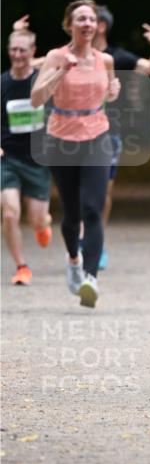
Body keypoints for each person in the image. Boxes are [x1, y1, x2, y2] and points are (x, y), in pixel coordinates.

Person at [31, 0, 120, 308]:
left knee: (93, 208)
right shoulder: (56, 56)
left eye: (91, 19)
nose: (86, 24)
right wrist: (60, 72)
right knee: (72, 213)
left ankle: (90, 279)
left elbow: (106, 93)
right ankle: (73, 260)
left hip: (97, 136)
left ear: (97, 26)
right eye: (80, 19)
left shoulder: (104, 60)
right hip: (61, 139)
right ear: (69, 25)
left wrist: (113, 91)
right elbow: (36, 98)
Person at [93, 5, 150, 269]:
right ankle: (82, 238)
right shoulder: (70, 56)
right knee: (77, 192)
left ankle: (95, 242)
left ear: (100, 26)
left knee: (101, 193)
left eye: (90, 19)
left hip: (107, 133)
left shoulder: (118, 57)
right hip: (71, 133)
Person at [1, 29, 52, 285]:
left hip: (38, 159)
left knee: (37, 219)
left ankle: (44, 225)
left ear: (33, 52)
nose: (17, 54)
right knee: (10, 212)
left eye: (23, 49)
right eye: (13, 49)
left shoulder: (42, 82)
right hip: (6, 157)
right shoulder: (2, 84)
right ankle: (22, 267)